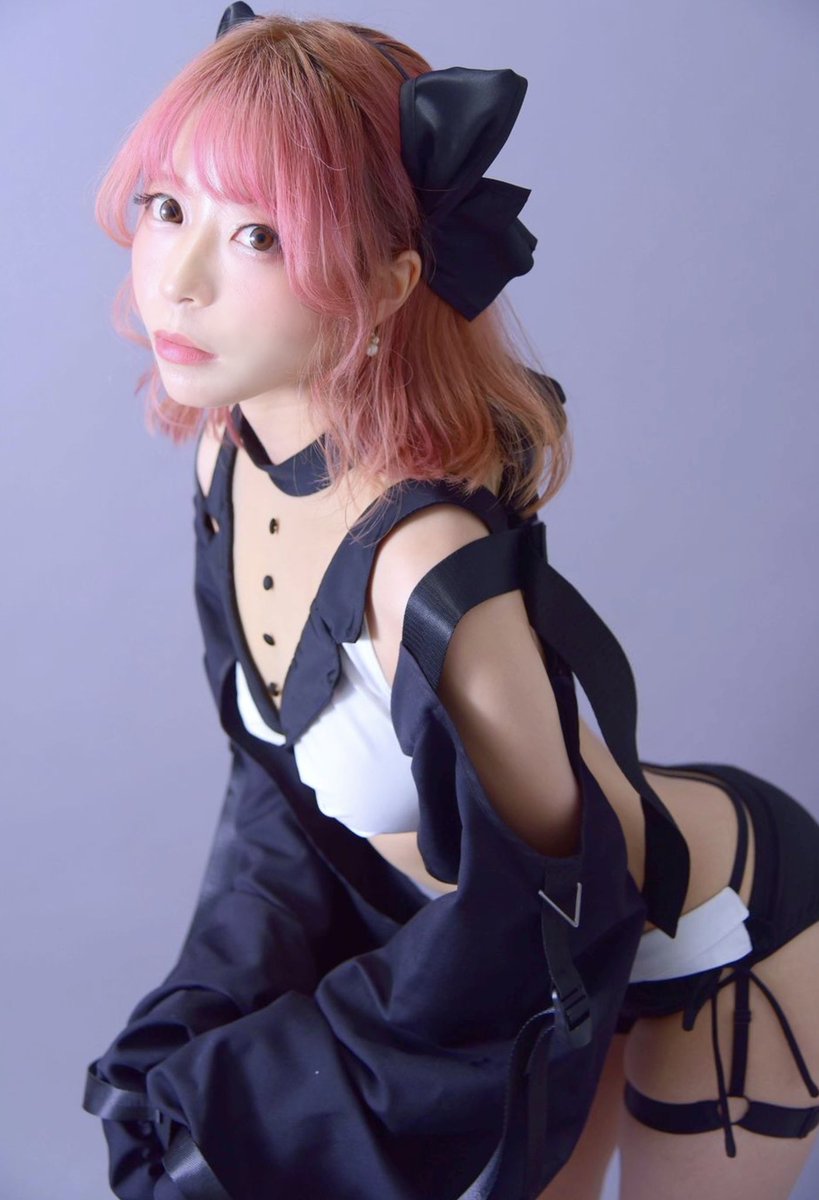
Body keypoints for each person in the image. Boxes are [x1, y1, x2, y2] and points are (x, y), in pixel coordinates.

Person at [81, 7, 819, 1199]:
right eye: (167, 206)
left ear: (386, 282)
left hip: (704, 932)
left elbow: (547, 918)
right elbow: (273, 801)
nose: (180, 277)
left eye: (259, 233)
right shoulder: (227, 460)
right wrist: (200, 1017)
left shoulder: (424, 568)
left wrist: (263, 1101)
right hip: (523, 970)